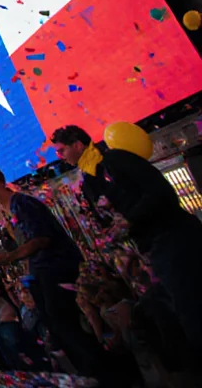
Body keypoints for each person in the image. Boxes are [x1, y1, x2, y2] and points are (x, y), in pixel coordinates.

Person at [52, 124, 202, 363]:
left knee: (190, 305)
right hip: (148, 248)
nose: (59, 157)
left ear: (78, 145)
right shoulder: (89, 182)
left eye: (61, 150)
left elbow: (160, 192)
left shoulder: (117, 160)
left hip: (175, 236)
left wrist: (130, 220)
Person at [0, 165, 107, 379]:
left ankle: (100, 375)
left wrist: (8, 258)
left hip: (57, 270)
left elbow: (41, 239)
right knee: (56, 326)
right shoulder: (10, 211)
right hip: (43, 273)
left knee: (66, 323)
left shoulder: (22, 203)